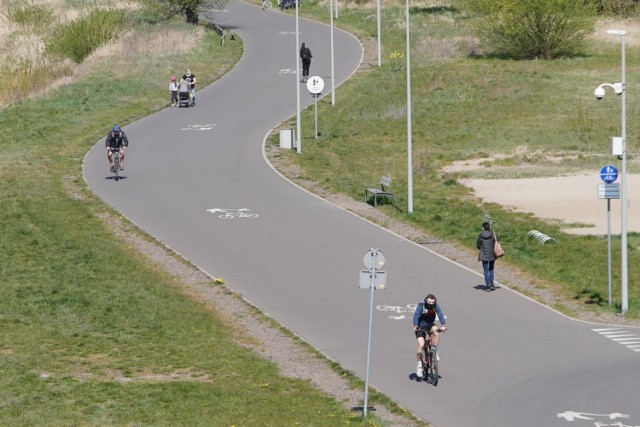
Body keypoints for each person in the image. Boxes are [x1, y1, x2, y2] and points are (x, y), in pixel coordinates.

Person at [412, 294, 446, 378]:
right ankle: (420, 365)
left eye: (432, 302)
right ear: (426, 301)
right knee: (421, 344)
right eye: (429, 302)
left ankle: (434, 349)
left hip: (430, 325)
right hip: (420, 327)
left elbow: (440, 314)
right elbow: (416, 315)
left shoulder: (435, 306)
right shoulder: (421, 305)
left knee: (437, 332)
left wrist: (443, 325)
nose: (430, 304)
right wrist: (416, 325)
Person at [477, 221, 498, 290]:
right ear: (490, 227)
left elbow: (478, 246)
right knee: (491, 269)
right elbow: (496, 242)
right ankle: (492, 284)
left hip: (484, 254)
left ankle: (487, 286)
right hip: (492, 254)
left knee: (486, 270)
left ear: (483, 228)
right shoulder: (493, 234)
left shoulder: (480, 235)